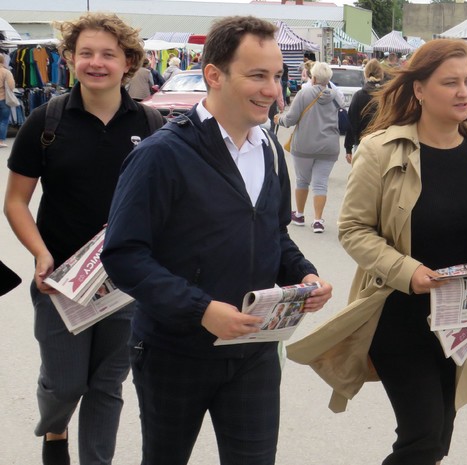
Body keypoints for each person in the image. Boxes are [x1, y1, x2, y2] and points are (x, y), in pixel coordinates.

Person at [101, 16, 332, 465]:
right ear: (214, 74)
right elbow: (124, 255)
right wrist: (201, 310)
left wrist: (304, 274)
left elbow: (273, 233)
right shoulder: (161, 154)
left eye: (278, 76)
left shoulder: (268, 148)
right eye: (258, 75)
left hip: (254, 351)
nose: (273, 90)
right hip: (173, 352)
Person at [286, 38, 467, 465]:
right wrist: (408, 271)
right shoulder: (380, 149)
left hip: (460, 315)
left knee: (438, 437)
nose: (464, 92)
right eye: (450, 82)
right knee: (422, 437)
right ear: (420, 89)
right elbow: (353, 229)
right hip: (397, 313)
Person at [3, 13, 163, 465]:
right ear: (70, 59)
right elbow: (15, 202)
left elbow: (167, 202)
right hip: (60, 282)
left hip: (125, 283)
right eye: (86, 53)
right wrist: (40, 254)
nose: (96, 62)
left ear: (128, 62)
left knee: (107, 385)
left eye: (108, 54)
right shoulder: (45, 121)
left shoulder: (151, 124)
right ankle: (55, 429)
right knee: (65, 384)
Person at [275, 61, 344, 234]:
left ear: (313, 78)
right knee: (321, 184)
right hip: (329, 146)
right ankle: (318, 221)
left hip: (304, 145)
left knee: (302, 180)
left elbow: (290, 119)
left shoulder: (304, 93)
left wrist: (278, 120)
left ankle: (299, 215)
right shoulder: (336, 96)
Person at [344, 58, 383, 164]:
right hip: (384, 145)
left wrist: (348, 148)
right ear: (381, 74)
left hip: (362, 144)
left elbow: (352, 123)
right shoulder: (388, 95)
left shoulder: (359, 95)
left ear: (365, 74)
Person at [0, 54, 15, 148]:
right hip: (3, 99)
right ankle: (0, 141)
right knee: (3, 120)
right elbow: (11, 86)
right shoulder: (6, 72)